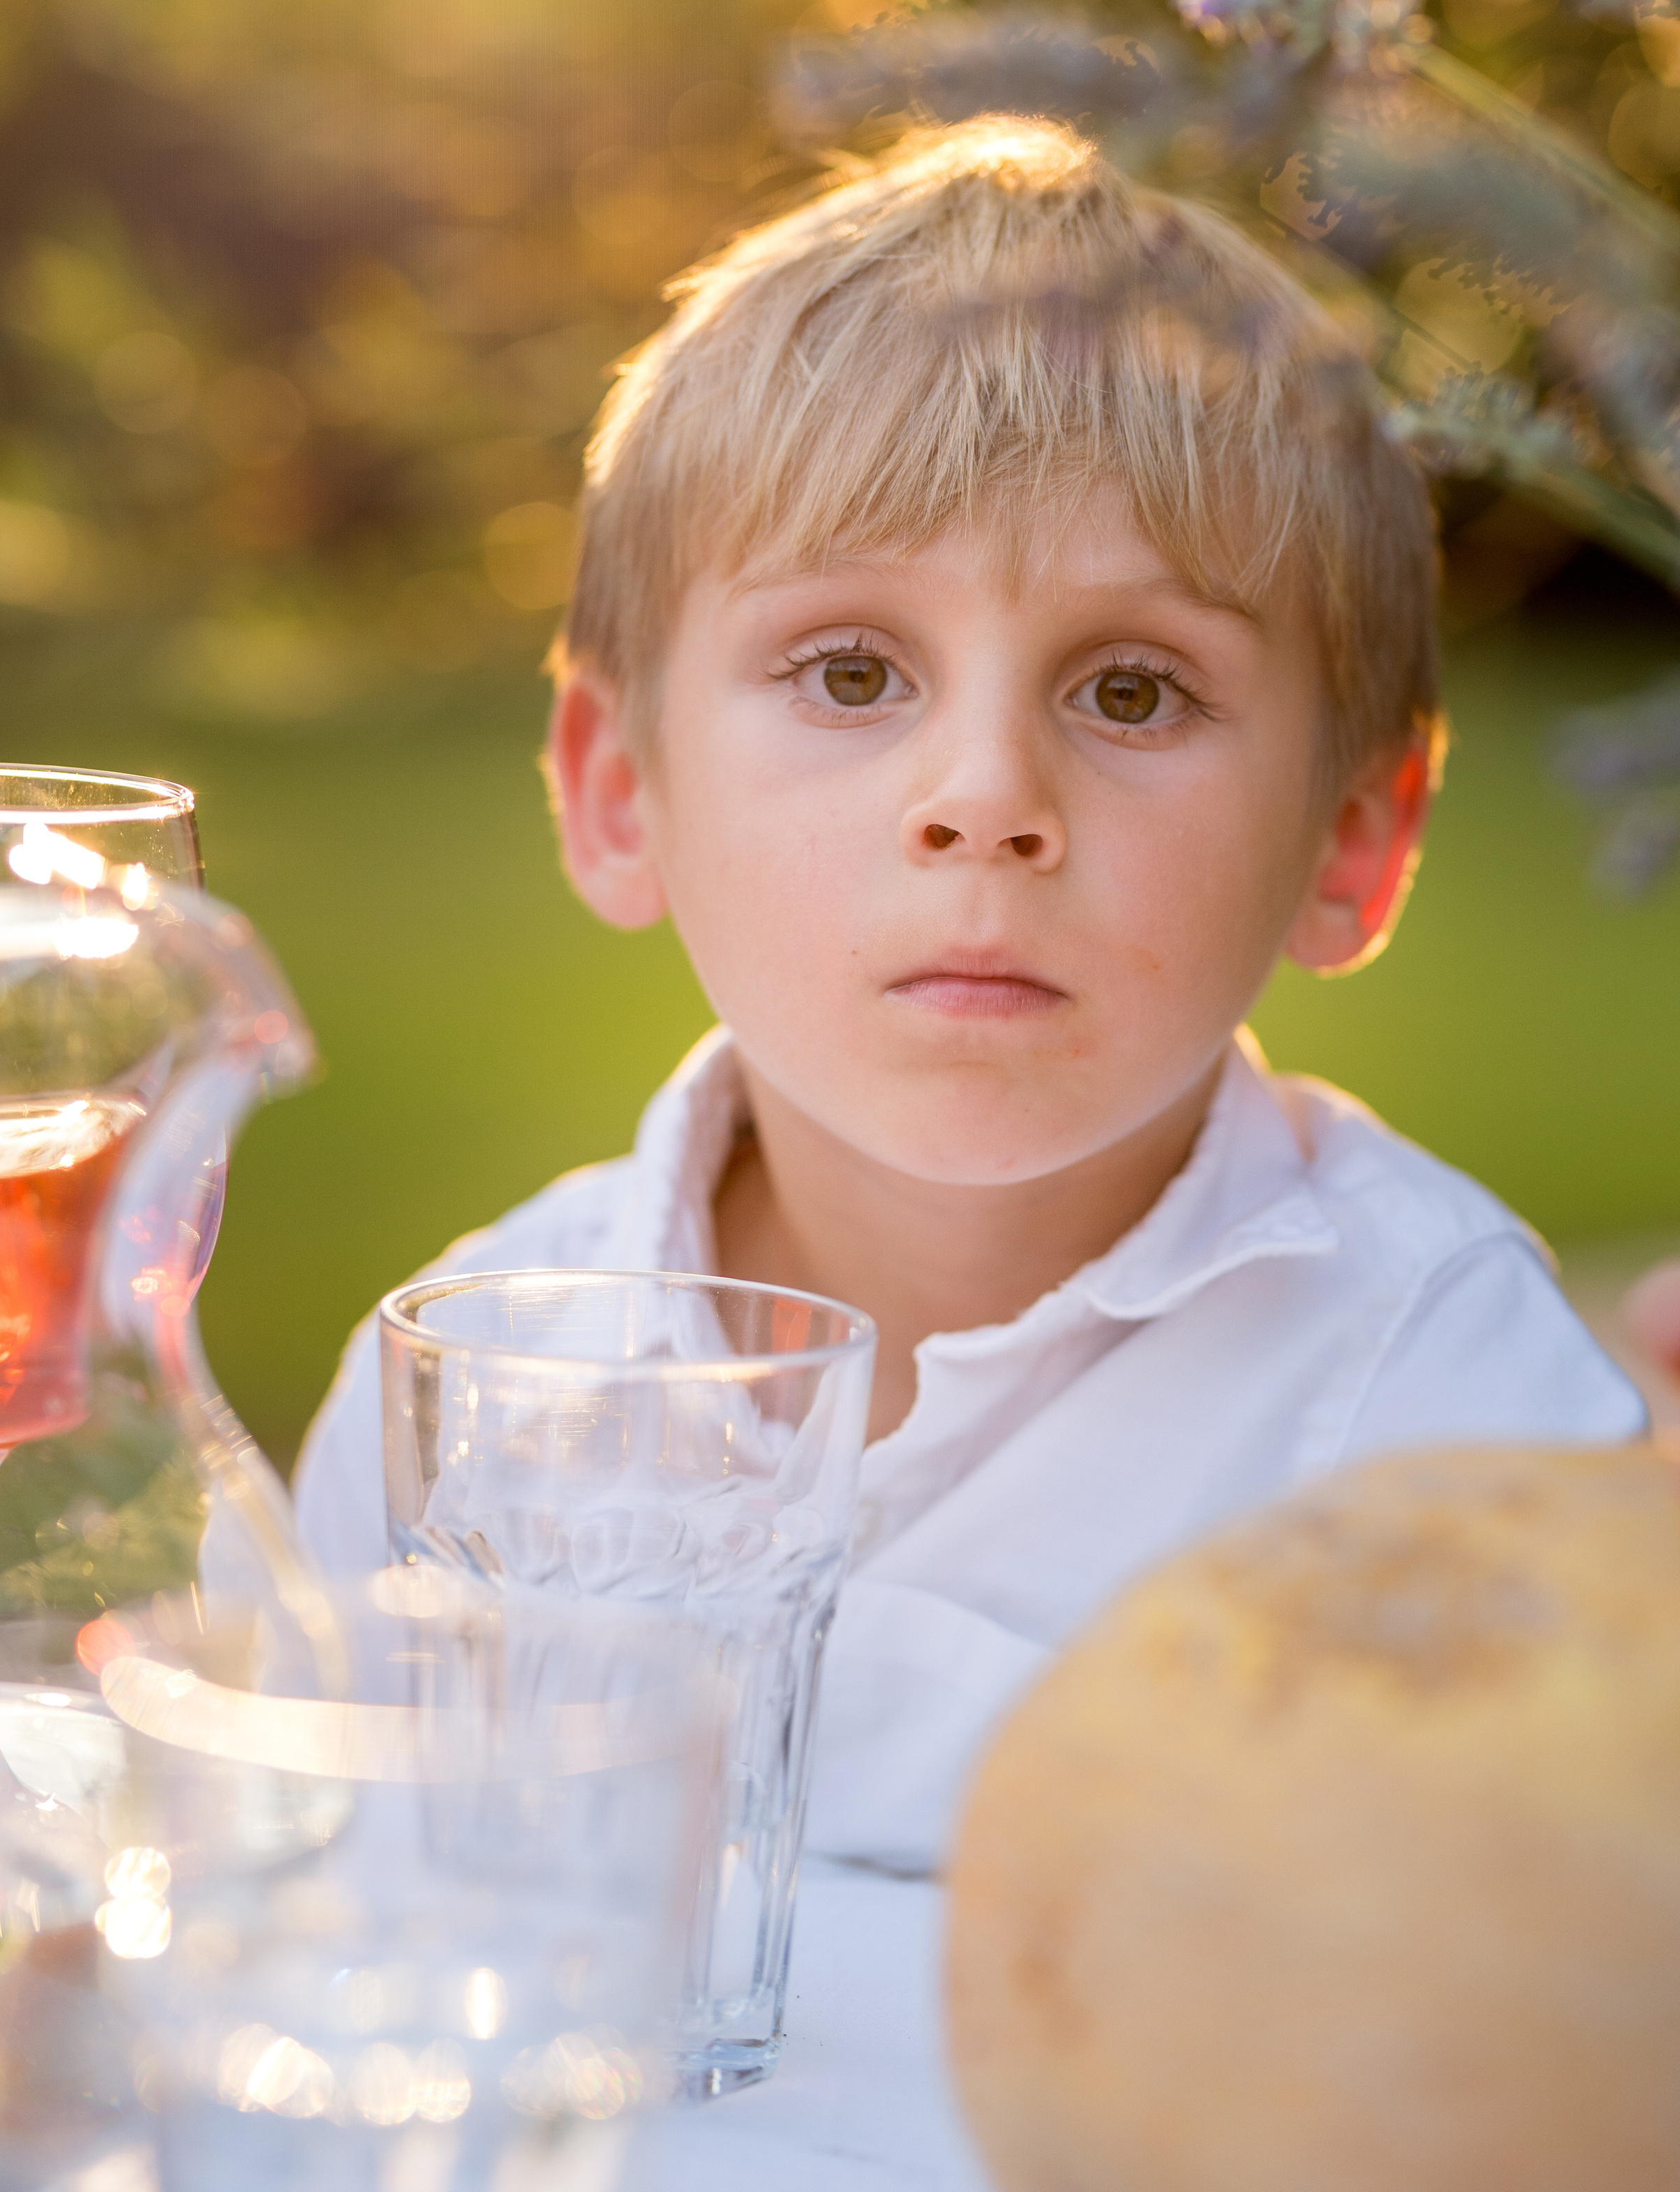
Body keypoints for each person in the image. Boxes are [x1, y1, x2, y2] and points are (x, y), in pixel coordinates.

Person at [295, 116, 1642, 1874]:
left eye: (1136, 693)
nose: (986, 793)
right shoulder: (471, 1381)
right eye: (851, 671)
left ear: (1349, 840)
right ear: (621, 791)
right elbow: (300, 1910)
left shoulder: (1438, 1397)